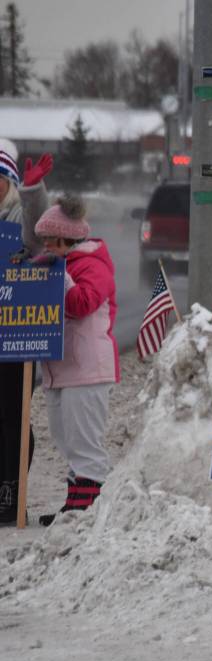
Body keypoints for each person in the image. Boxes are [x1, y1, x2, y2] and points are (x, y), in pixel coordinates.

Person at [32, 196, 120, 527]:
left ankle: (91, 505)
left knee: (85, 440)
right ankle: (76, 502)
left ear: (67, 238)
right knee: (65, 437)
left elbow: (82, 303)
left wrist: (61, 275)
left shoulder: (93, 264)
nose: (45, 246)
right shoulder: (59, 263)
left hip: (88, 368)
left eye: (50, 240)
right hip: (59, 368)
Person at [0, 150, 53, 525]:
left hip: (16, 337)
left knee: (12, 417)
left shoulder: (20, 213)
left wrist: (34, 192)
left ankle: (10, 491)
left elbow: (39, 239)